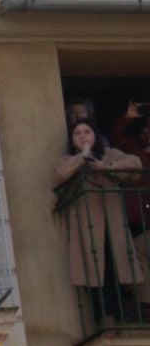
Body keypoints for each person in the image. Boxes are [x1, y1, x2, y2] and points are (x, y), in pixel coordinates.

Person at [54, 119, 146, 327]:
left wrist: (105, 166)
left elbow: (136, 164)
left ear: (95, 135)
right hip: (87, 228)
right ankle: (105, 320)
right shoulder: (68, 159)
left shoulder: (110, 154)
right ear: (72, 139)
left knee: (116, 268)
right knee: (95, 273)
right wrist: (82, 157)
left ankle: (122, 316)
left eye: (87, 132)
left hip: (113, 224)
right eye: (78, 133)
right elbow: (60, 175)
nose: (83, 136)